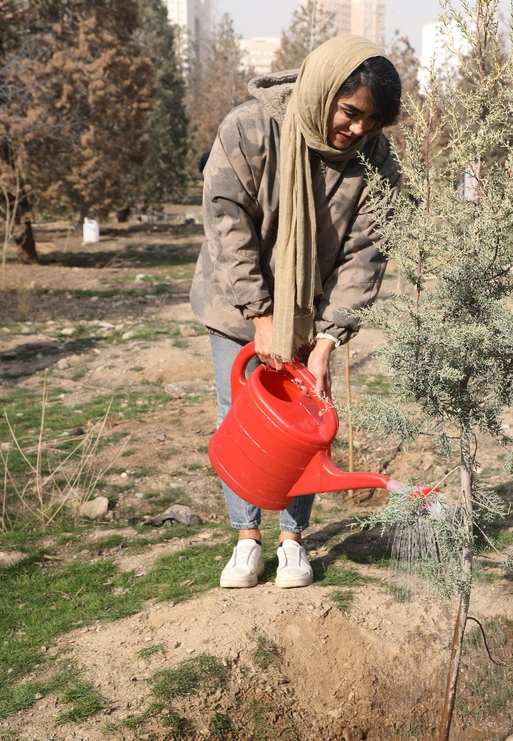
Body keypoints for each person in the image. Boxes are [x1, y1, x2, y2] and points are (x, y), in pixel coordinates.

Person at [190, 37, 402, 590]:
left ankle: (292, 540)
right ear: (325, 90)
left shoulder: (375, 160)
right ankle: (246, 539)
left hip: (312, 312)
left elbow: (366, 252)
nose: (357, 129)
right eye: (350, 112)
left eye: (371, 121)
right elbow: (226, 222)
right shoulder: (251, 128)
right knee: (240, 415)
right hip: (236, 302)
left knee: (305, 429)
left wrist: (328, 339)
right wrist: (260, 316)